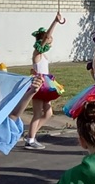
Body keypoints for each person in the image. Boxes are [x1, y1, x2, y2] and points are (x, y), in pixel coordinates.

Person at [25, 12, 65, 150]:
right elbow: (47, 36)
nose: (51, 40)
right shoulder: (37, 53)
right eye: (49, 39)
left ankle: (32, 134)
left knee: (48, 113)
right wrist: (55, 22)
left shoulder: (42, 54)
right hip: (39, 85)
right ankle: (30, 139)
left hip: (46, 84)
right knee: (37, 113)